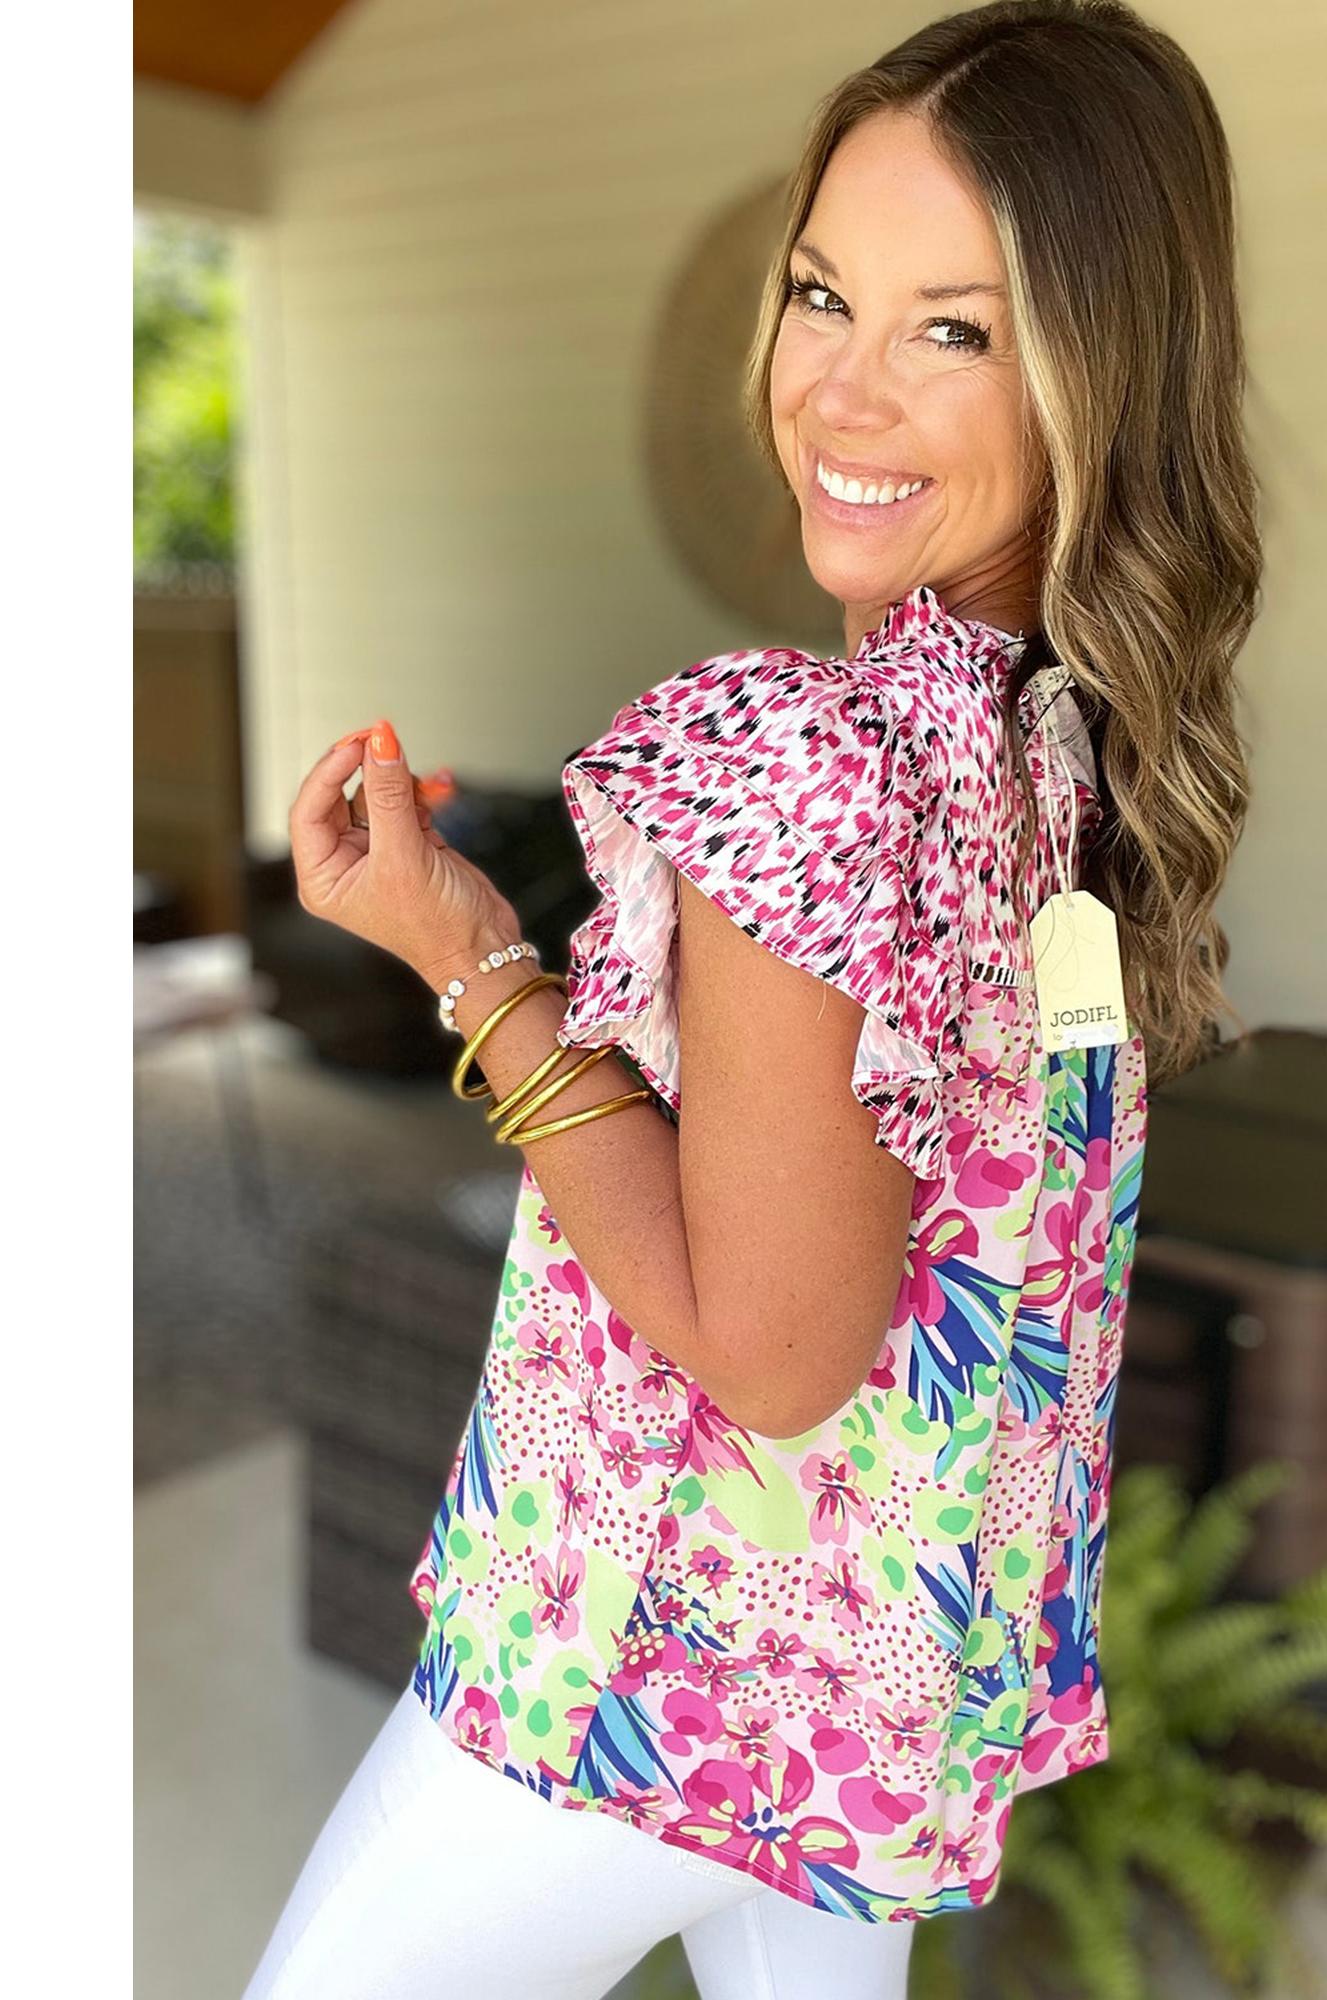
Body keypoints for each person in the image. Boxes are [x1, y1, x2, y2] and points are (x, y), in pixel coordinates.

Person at [247, 2, 1256, 1994]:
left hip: (641, 1674)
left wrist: (471, 958)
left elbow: (771, 1352)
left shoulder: (812, 754)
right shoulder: (1054, 754)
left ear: (1098, 373)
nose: (840, 392)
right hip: (867, 1692)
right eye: (820, 295)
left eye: (951, 329)